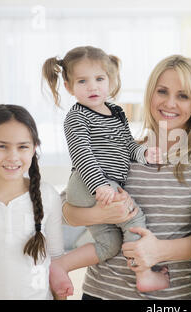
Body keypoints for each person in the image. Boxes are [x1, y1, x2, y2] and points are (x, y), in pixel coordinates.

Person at [61, 54, 191, 300]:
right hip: (100, 292)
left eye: (183, 95)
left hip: (169, 297)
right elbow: (66, 211)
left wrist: (161, 251)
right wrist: (100, 214)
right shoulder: (123, 148)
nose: (170, 103)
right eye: (162, 91)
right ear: (150, 94)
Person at [42, 46, 166, 296]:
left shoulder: (117, 112)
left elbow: (128, 145)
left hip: (107, 183)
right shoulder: (76, 117)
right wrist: (99, 185)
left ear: (110, 81)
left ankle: (60, 265)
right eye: (82, 81)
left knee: (110, 243)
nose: (92, 87)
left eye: (99, 79)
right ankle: (143, 274)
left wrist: (144, 154)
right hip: (89, 182)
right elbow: (82, 156)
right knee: (133, 217)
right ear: (68, 87)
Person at [0, 104, 64, 299]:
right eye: (2, 146)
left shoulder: (47, 194)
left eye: (22, 147)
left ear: (34, 147)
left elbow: (56, 261)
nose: (13, 156)